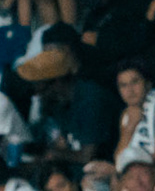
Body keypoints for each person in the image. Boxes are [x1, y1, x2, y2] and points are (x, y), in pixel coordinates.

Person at [17, 28, 119, 160]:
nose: (37, 94)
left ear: (57, 82)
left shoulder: (90, 98)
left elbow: (86, 156)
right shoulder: (60, 102)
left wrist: (53, 154)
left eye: (40, 88)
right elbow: (63, 142)